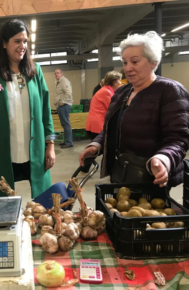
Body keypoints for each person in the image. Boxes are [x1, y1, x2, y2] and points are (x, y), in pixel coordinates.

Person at [79, 31, 189, 188]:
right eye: (125, 62)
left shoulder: (169, 91)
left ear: (153, 62)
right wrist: (96, 146)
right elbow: (111, 128)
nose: (128, 68)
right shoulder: (122, 92)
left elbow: (178, 138)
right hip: (121, 173)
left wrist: (163, 159)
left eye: (135, 62)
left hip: (151, 178)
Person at [0, 19, 55, 198]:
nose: (22, 46)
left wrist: (50, 145)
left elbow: (45, 109)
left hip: (34, 148)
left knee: (43, 205)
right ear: (4, 43)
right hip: (2, 151)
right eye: (17, 41)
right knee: (3, 204)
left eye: (25, 41)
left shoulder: (35, 71)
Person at [86, 71, 122, 141]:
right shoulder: (106, 92)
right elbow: (113, 109)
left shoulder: (105, 90)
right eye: (119, 80)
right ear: (114, 82)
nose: (120, 83)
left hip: (95, 124)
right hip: (98, 126)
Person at [54, 69, 73, 148]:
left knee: (66, 124)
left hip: (64, 105)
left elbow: (68, 92)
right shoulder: (59, 82)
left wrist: (63, 102)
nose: (56, 75)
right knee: (64, 124)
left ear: (62, 73)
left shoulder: (64, 81)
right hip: (61, 105)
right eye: (55, 73)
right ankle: (66, 141)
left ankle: (68, 142)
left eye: (58, 73)